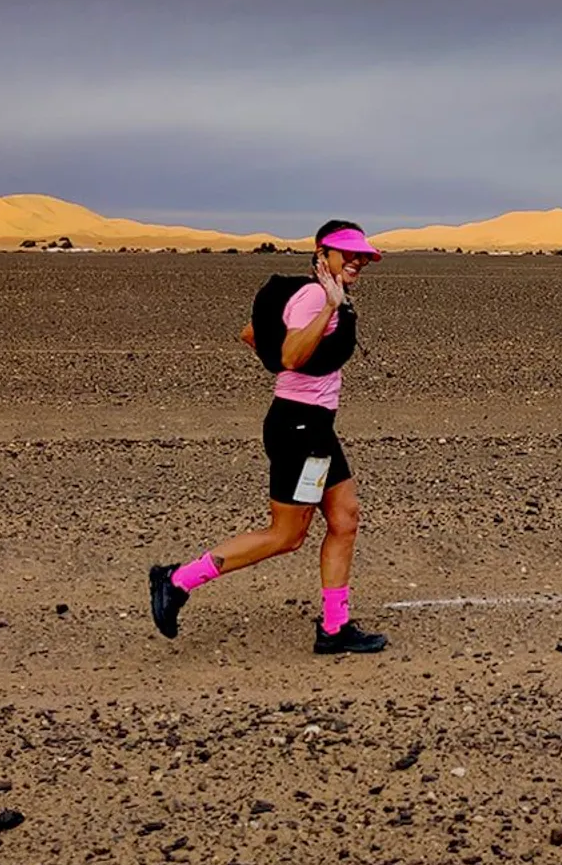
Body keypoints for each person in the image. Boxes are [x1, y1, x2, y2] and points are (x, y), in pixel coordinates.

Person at [148, 220, 388, 654]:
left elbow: (251, 334)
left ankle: (335, 628)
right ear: (322, 254)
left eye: (361, 255)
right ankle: (177, 580)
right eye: (345, 252)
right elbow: (290, 357)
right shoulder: (318, 295)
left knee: (345, 518)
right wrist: (329, 309)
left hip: (314, 426)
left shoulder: (318, 292)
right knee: (286, 536)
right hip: (299, 427)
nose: (356, 260)